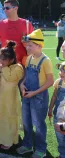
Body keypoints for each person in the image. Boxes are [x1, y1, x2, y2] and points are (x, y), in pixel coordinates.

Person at [17, 29, 54, 158]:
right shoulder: (29, 59)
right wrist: (22, 84)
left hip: (39, 97)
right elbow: (27, 75)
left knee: (38, 124)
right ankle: (27, 145)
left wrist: (34, 93)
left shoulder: (45, 61)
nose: (27, 47)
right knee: (26, 122)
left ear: (39, 46)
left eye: (30, 45)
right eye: (27, 45)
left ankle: (41, 149)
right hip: (27, 95)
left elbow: (50, 82)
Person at [0, 41, 24, 150]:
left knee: (8, 117)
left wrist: (1, 69)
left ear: (12, 60)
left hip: (10, 98)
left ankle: (8, 140)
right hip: (0, 95)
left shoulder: (18, 68)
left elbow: (10, 77)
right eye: (1, 58)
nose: (1, 61)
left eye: (4, 59)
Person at [0, 0, 33, 64]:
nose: (5, 10)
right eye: (4, 8)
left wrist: (26, 43)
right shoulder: (0, 24)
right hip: (5, 64)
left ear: (16, 8)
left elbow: (34, 44)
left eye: (7, 8)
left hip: (23, 64)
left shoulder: (27, 24)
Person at [48, 62, 65, 158]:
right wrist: (50, 109)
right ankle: (62, 154)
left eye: (63, 70)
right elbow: (54, 96)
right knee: (60, 138)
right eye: (60, 69)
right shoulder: (58, 82)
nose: (60, 72)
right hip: (58, 117)